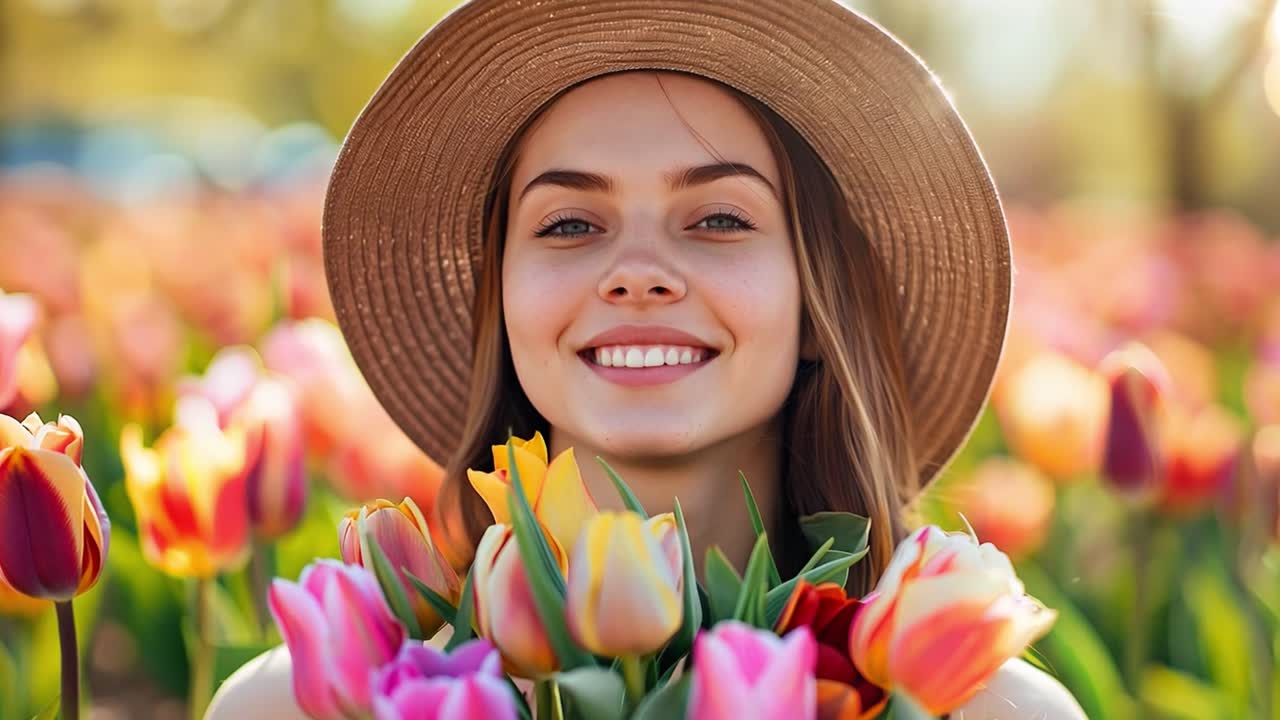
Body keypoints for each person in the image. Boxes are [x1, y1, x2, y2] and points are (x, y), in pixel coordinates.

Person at [210, 1, 1086, 718]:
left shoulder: (985, 712)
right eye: (568, 225)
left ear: (819, 305)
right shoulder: (302, 708)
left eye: (719, 219)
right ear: (503, 303)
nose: (635, 274)